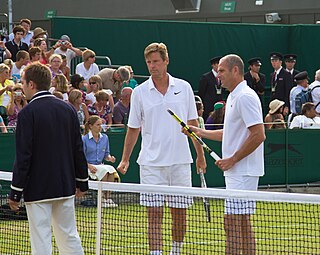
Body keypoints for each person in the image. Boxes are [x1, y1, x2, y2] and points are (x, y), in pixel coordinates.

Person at [117, 42, 206, 255]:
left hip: (180, 162)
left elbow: (193, 124)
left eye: (156, 61)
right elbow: (133, 129)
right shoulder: (139, 93)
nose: (152, 66)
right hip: (150, 164)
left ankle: (175, 251)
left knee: (179, 214)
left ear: (166, 61)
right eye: (149, 62)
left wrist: (200, 155)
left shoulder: (184, 88)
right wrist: (125, 159)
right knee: (154, 214)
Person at [184, 54, 265, 255]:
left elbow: (259, 134)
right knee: (242, 223)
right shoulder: (233, 96)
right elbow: (230, 134)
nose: (218, 75)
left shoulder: (245, 96)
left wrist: (233, 159)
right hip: (237, 170)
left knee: (232, 223)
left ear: (235, 71)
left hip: (243, 170)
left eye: (222, 71)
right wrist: (198, 131)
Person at [8, 63, 88, 255]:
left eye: (24, 83)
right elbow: (78, 149)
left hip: (38, 189)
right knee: (69, 236)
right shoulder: (68, 109)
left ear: (32, 84)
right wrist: (82, 182)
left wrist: (15, 192)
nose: (22, 87)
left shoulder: (27, 113)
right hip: (64, 185)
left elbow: (23, 156)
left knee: (41, 240)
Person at [82, 115, 119, 207]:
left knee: (111, 170)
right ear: (91, 126)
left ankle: (107, 198)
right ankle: (101, 198)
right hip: (88, 167)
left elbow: (106, 155)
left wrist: (110, 158)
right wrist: (89, 166)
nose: (100, 127)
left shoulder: (105, 138)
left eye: (101, 125)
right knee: (105, 171)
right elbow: (80, 158)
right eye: (98, 125)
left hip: (100, 165)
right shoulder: (84, 139)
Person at [198, 56, 223, 121]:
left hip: (219, 107)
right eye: (218, 64)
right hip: (208, 107)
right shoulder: (206, 77)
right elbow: (201, 92)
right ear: (213, 65)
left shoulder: (222, 76)